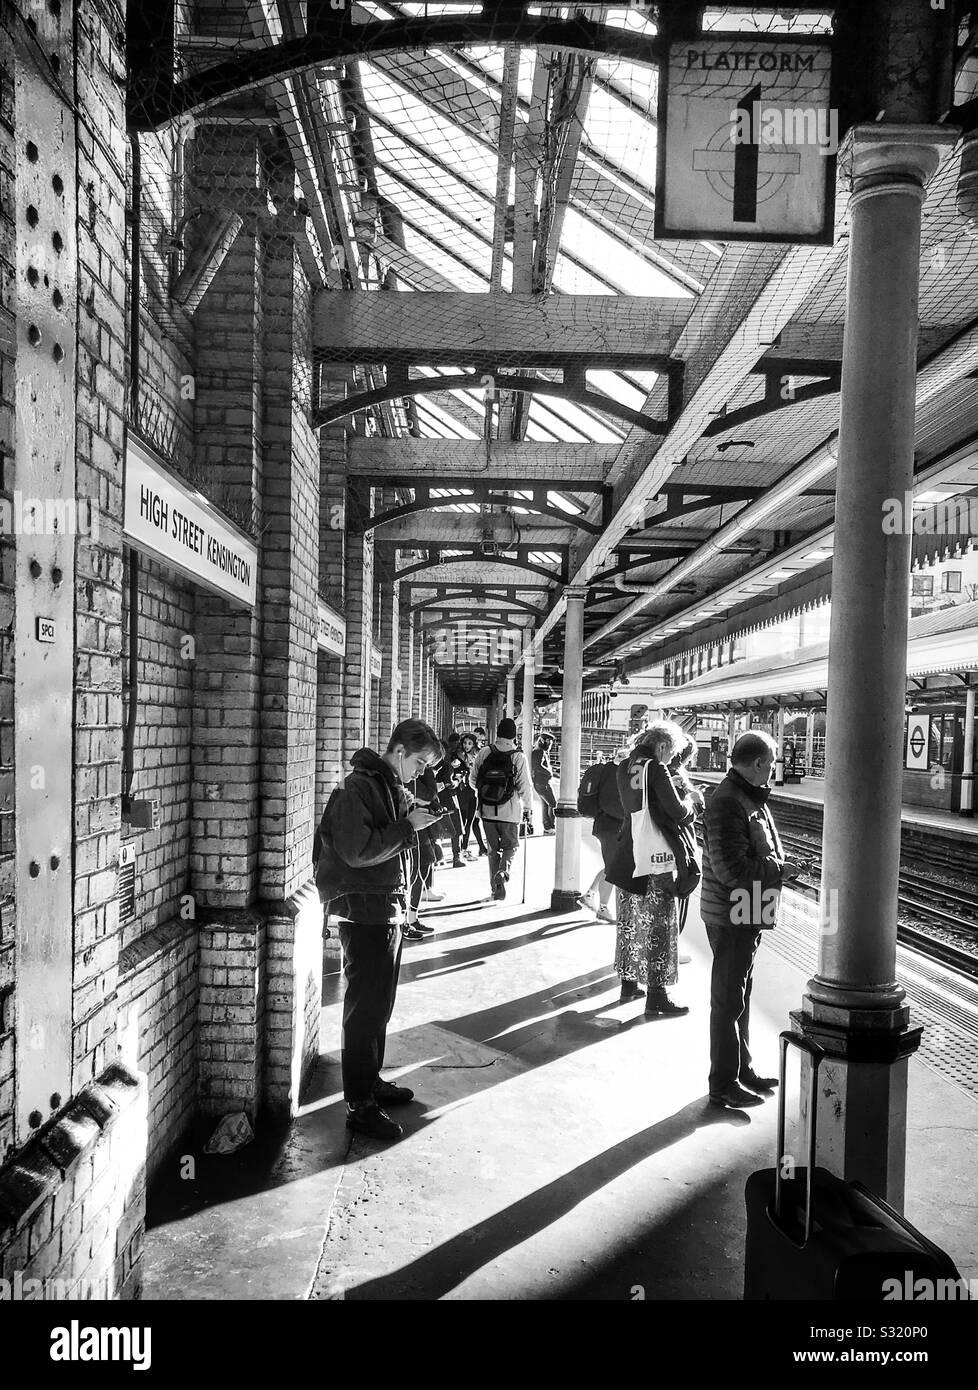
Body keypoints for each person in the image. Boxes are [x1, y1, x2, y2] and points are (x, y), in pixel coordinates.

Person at [315, 719, 443, 1141]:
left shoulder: (386, 786)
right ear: (400, 751)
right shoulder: (359, 788)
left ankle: (370, 1083)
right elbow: (356, 850)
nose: (421, 773)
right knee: (364, 1010)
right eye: (420, 763)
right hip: (363, 911)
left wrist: (410, 817)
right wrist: (409, 828)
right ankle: (359, 1105)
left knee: (379, 1007)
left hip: (384, 907)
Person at [700, 730, 807, 1109]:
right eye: (772, 762)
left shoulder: (747, 797)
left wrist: (777, 869)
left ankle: (742, 1070)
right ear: (759, 763)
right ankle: (722, 1082)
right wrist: (781, 869)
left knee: (739, 995)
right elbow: (731, 869)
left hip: (747, 912)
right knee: (728, 1000)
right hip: (731, 914)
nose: (774, 770)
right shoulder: (729, 802)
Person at [615, 719, 696, 1016]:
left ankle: (628, 982)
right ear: (662, 745)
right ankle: (657, 994)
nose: (670, 759)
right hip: (654, 856)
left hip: (627, 851)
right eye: (670, 753)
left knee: (629, 920)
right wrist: (691, 802)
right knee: (660, 922)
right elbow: (676, 812)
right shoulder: (658, 768)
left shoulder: (624, 765)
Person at [469, 716, 533, 901]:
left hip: (487, 810)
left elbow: (473, 780)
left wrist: (487, 792)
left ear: (497, 733)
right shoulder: (518, 757)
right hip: (510, 811)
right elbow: (525, 786)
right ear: (514, 735)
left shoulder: (484, 752)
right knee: (511, 846)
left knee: (492, 850)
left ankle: (495, 890)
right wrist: (528, 808)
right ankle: (503, 873)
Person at [576, 747, 627, 924]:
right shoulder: (620, 775)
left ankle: (590, 894)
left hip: (603, 825)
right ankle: (603, 908)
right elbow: (615, 806)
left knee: (610, 865)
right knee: (613, 869)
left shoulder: (607, 769)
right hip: (613, 828)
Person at [454, 732, 487, 859]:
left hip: (474, 792)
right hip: (463, 791)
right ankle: (463, 849)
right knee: (465, 821)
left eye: (469, 743)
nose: (466, 746)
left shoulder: (478, 756)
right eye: (465, 743)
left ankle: (472, 848)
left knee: (472, 821)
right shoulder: (458, 757)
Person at [531, 732, 558, 834]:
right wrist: (549, 772)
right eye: (549, 742)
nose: (550, 745)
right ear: (542, 741)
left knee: (546, 805)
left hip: (540, 782)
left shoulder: (538, 751)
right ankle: (549, 827)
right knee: (552, 803)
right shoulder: (539, 752)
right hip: (542, 783)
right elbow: (537, 766)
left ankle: (547, 828)